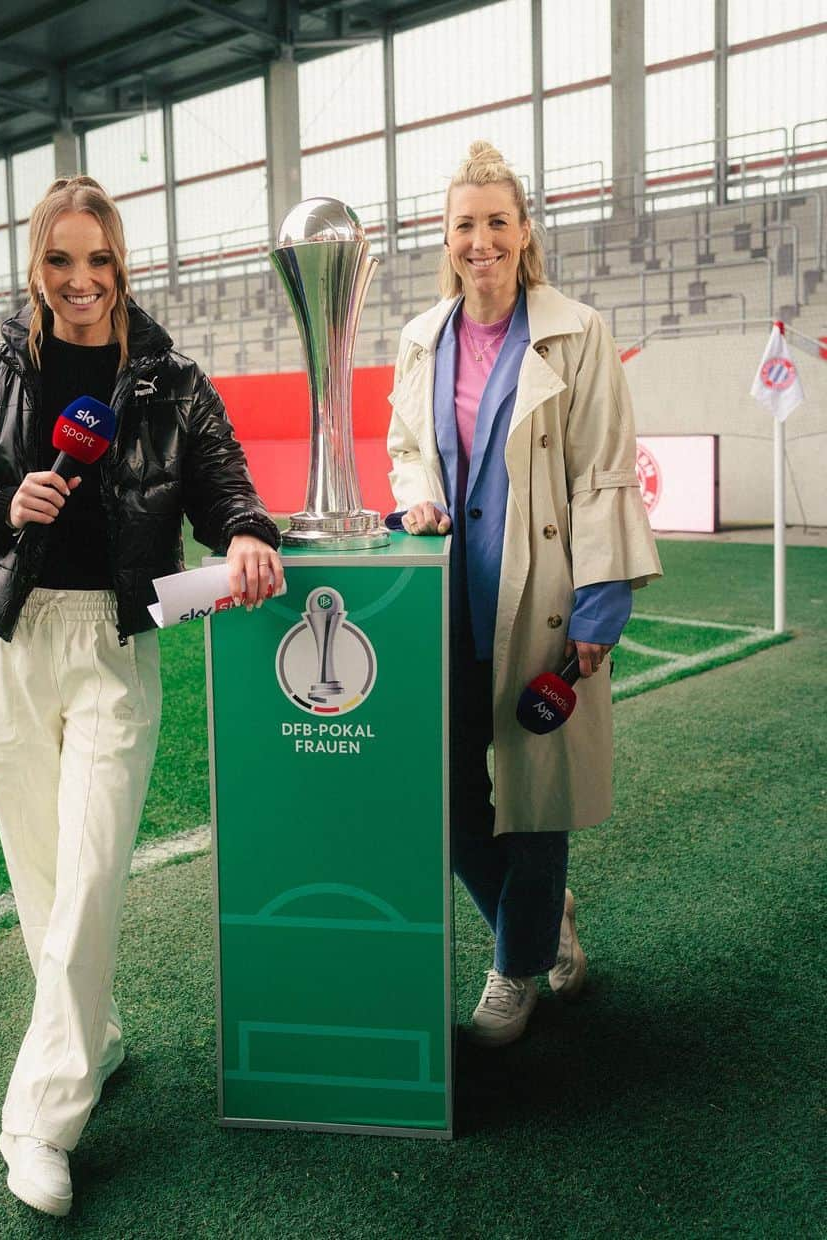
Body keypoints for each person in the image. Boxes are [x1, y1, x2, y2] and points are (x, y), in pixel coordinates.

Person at [0, 175, 283, 1216]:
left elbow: (223, 482)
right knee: (41, 878)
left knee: (88, 875)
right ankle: (98, 1034)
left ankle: (39, 1116)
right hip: (13, 644)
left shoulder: (169, 379)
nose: (82, 281)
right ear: (37, 265)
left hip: (119, 644)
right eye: (62, 260)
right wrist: (0, 499)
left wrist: (248, 532)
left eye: (100, 260)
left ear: (122, 264)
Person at [387, 142, 661, 1047]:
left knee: (535, 796)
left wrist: (598, 609)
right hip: (443, 605)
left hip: (543, 603)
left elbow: (603, 476)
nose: (481, 240)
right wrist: (415, 491)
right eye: (465, 224)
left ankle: (513, 971)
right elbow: (402, 449)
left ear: (524, 230)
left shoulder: (576, 333)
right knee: (444, 797)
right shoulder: (419, 339)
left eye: (497, 221)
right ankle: (538, 918)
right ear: (446, 235)